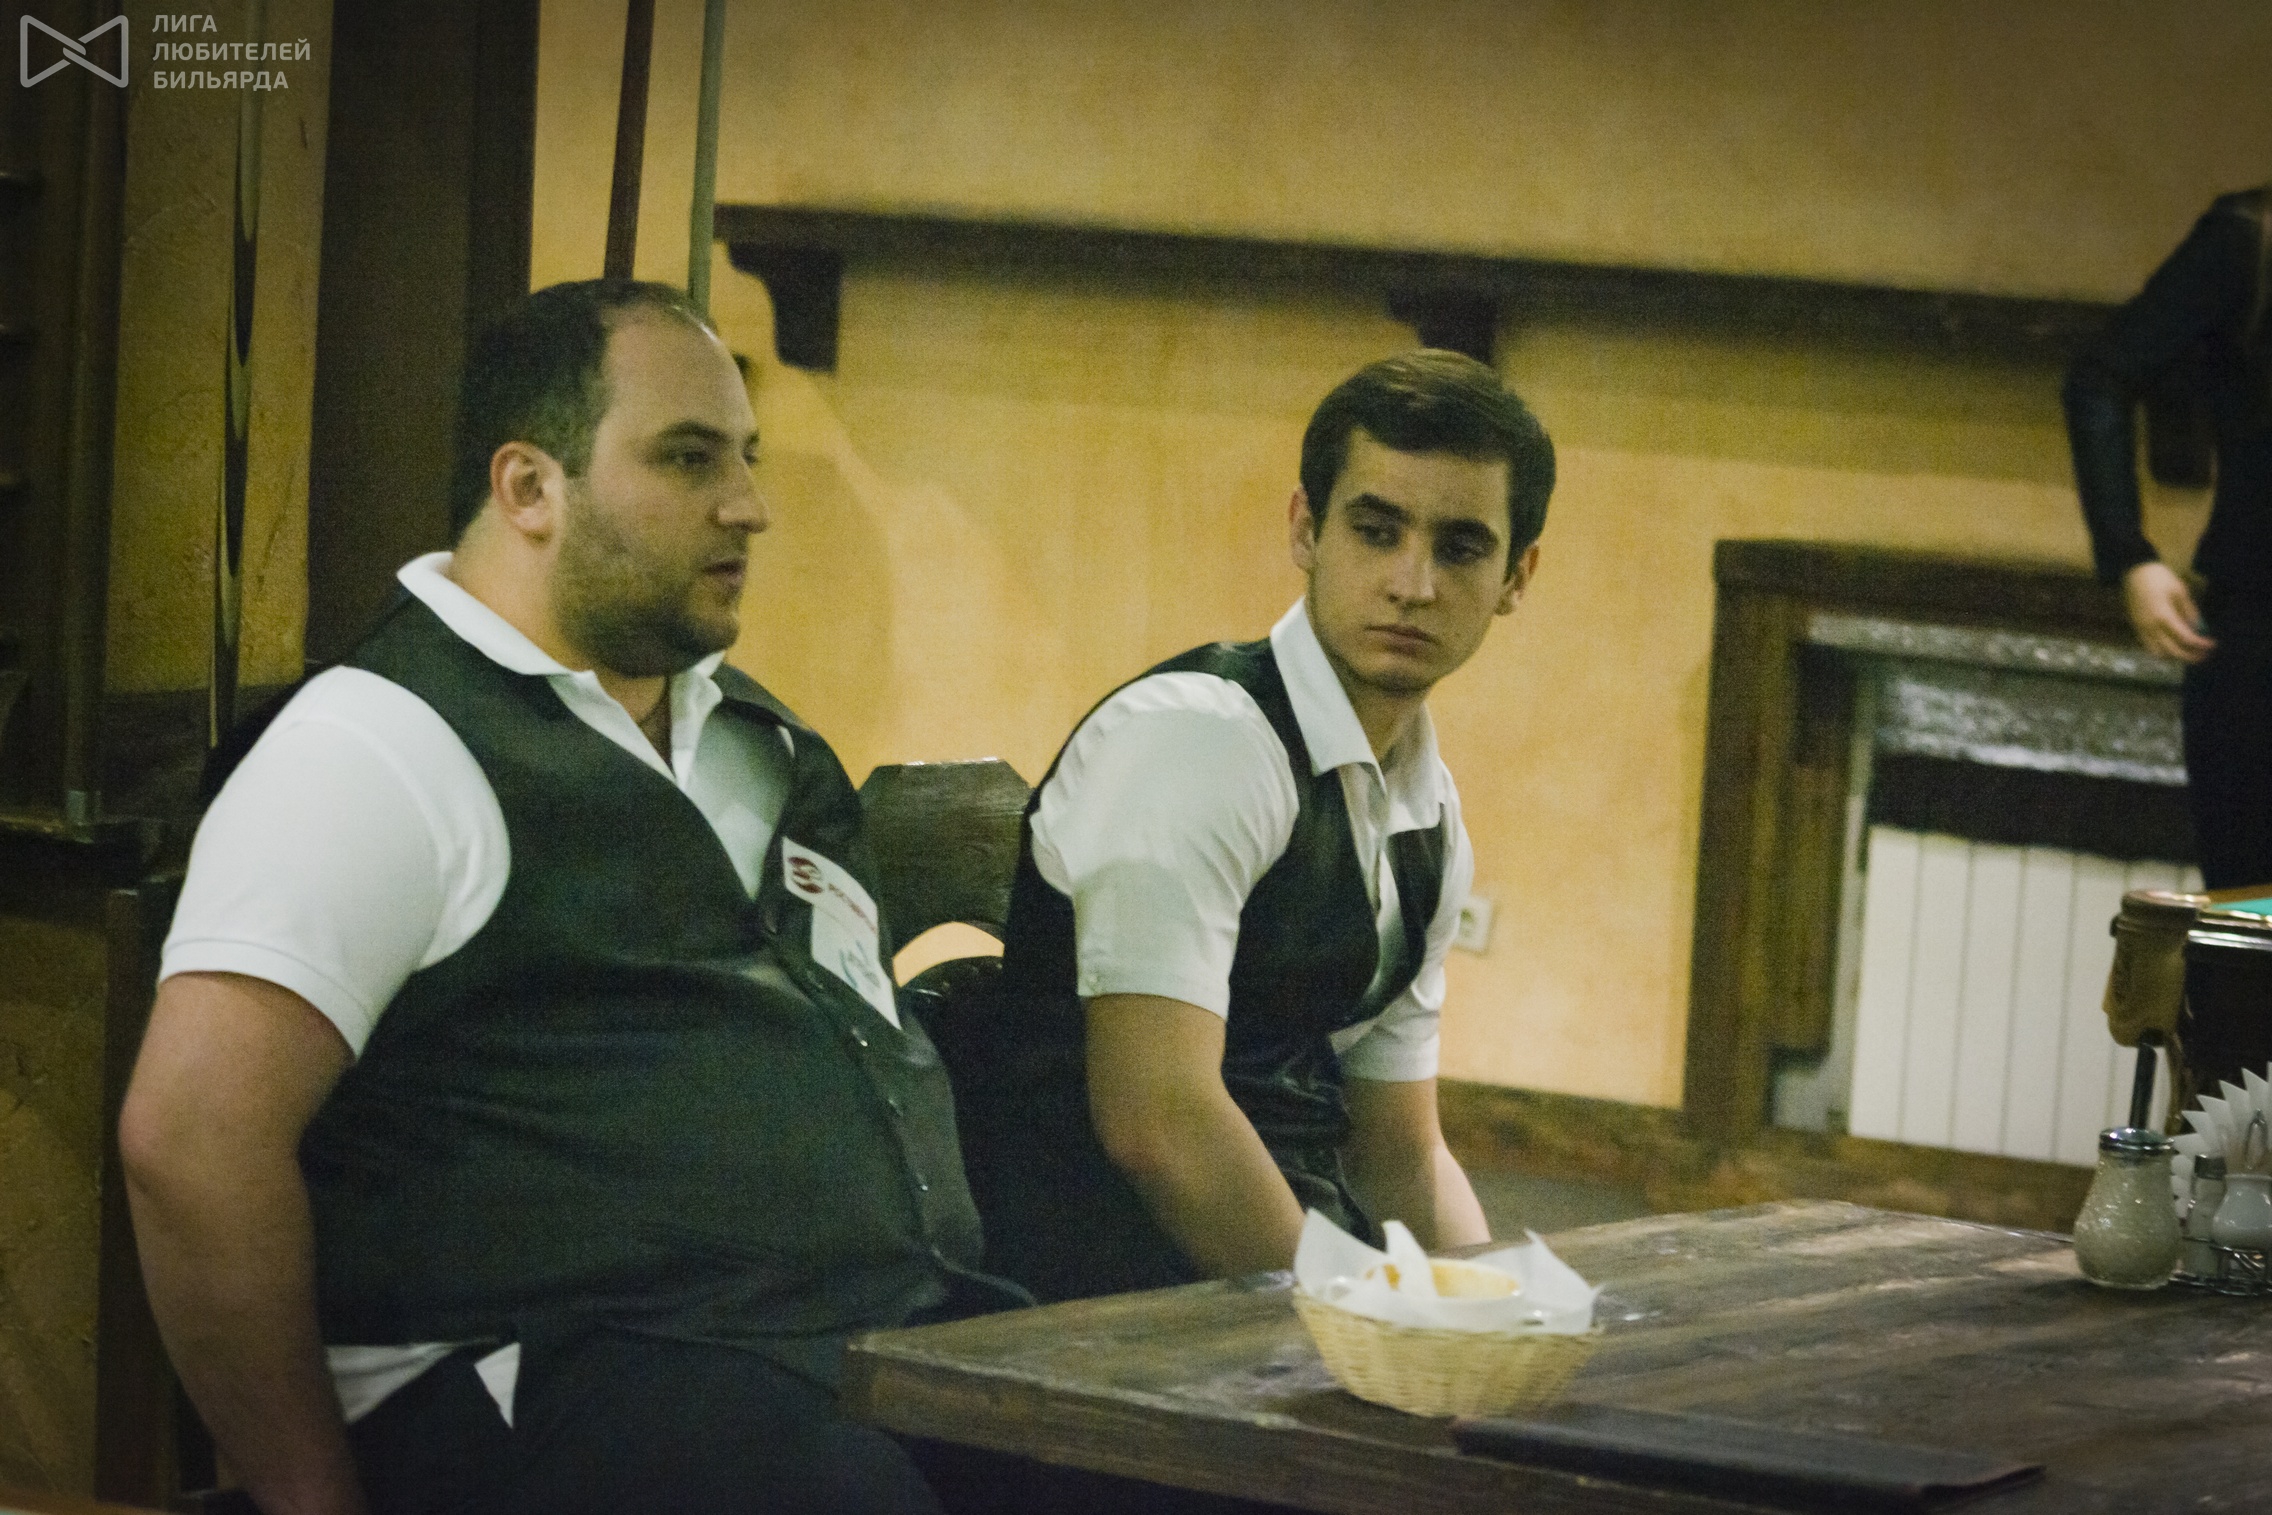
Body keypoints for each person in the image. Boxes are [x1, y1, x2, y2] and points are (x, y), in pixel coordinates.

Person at [118, 280, 993, 1515]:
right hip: (535, 1381)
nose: (748, 504)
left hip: (854, 1345)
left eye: (745, 457)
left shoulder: (763, 744)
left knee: (1147, 1467)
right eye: (687, 458)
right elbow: (190, 1142)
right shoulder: (373, 747)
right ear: (529, 487)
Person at [970, 349, 1553, 1302]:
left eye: (1460, 548)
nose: (1413, 583)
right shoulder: (1199, 740)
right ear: (1306, 530)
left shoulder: (1429, 812)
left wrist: (1500, 1318)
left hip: (1273, 1301)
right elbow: (1158, 1124)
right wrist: (1375, 1318)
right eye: (1376, 530)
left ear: (1516, 576)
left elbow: (1402, 1153)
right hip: (1091, 1312)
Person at [2065, 186, 2272, 889]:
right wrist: (2129, 555)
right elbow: (2100, 377)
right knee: (2251, 913)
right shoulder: (2250, 241)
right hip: (2256, 633)